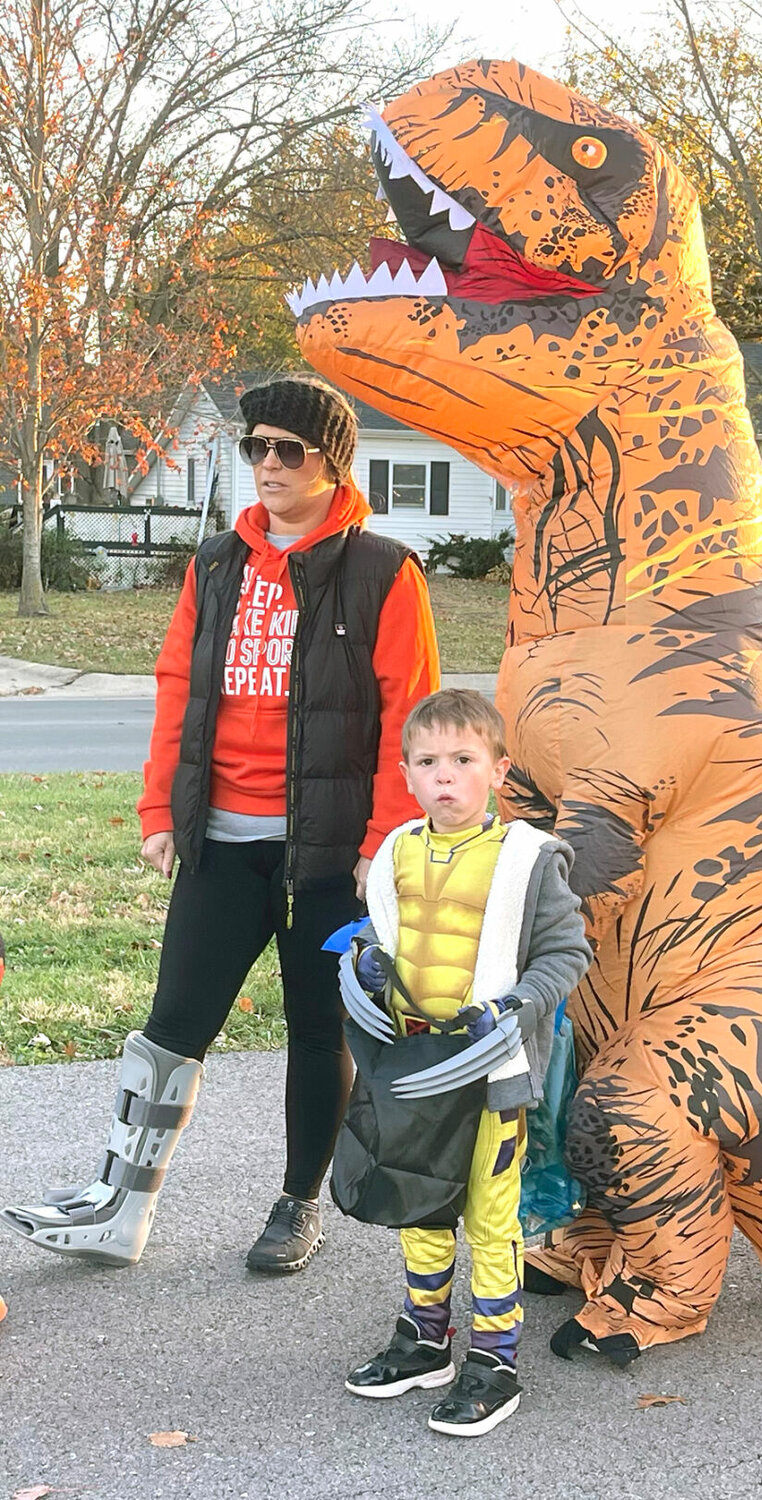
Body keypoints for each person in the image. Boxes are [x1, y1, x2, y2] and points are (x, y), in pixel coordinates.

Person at [1, 374, 439, 1271]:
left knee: (318, 1029)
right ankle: (120, 1207)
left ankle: (295, 1205)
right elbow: (178, 691)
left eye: (290, 450)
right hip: (221, 840)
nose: (268, 465)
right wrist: (161, 806)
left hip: (326, 855)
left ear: (332, 462)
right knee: (173, 1024)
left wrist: (381, 845)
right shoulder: (214, 565)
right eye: (257, 448)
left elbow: (411, 715)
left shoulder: (384, 571)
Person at [341, 688, 591, 1436]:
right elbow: (375, 932)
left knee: (488, 1215)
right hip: (408, 1061)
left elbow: (565, 952)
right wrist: (367, 966)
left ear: (497, 770)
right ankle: (425, 1341)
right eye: (427, 762)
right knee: (417, 1202)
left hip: (488, 1067)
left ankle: (494, 1359)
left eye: (462, 760)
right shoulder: (393, 852)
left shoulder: (526, 859)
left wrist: (512, 1007)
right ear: (407, 773)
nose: (444, 776)